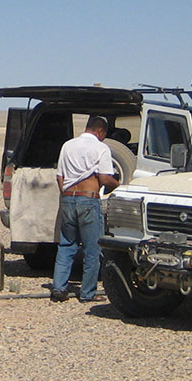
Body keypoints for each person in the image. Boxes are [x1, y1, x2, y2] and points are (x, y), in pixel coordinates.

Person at [51, 116, 120, 303]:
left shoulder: (68, 145)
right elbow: (105, 178)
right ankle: (87, 293)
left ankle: (59, 288)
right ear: (100, 131)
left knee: (66, 245)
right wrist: (120, 185)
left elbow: (60, 176)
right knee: (92, 249)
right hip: (88, 201)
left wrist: (66, 194)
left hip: (67, 198)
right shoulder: (100, 148)